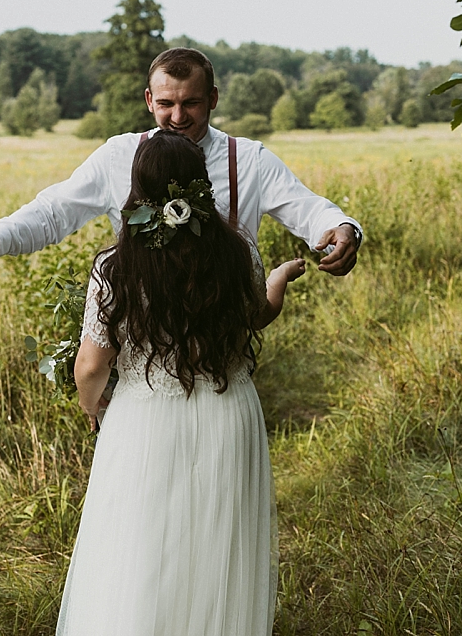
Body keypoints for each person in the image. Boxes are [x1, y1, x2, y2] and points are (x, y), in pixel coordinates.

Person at [57, 131, 306, 635]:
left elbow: (90, 365)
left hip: (144, 418)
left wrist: (93, 406)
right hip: (228, 409)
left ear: (137, 189)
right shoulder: (238, 251)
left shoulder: (116, 267)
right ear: (202, 185)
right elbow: (256, 315)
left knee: (141, 549)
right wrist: (277, 278)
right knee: (218, 547)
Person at [0, 47, 362, 283]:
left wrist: (343, 229)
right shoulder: (118, 156)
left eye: (191, 103)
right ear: (150, 101)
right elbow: (55, 210)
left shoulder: (249, 159)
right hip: (140, 339)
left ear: (214, 99)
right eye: (166, 104)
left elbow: (306, 207)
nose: (178, 117)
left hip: (228, 342)